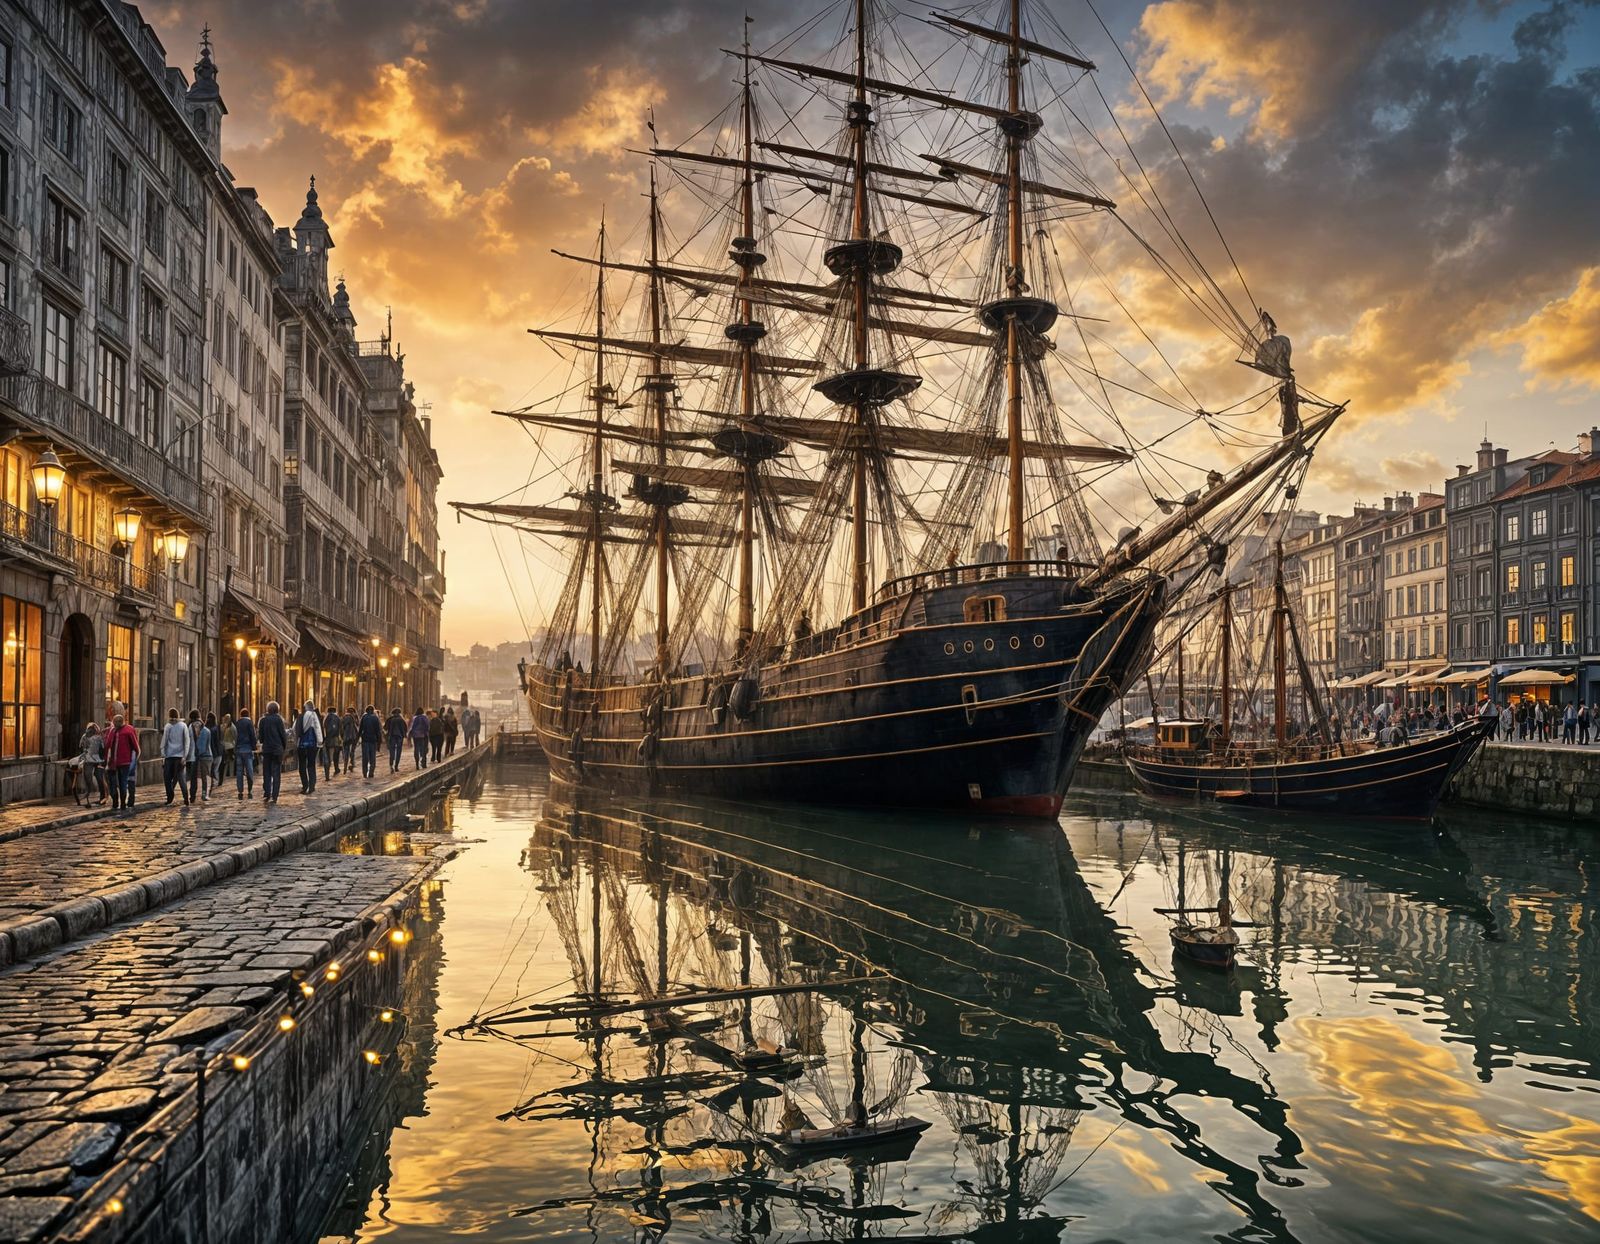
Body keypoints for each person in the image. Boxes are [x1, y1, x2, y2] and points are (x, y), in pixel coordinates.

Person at [105, 713, 140, 811]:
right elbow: (107, 745)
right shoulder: (112, 731)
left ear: (121, 722)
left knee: (123, 783)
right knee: (112, 782)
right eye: (114, 722)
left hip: (125, 762)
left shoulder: (128, 730)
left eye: (116, 722)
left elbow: (135, 745)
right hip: (112, 763)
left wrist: (136, 758)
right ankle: (115, 800)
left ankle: (123, 802)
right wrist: (105, 760)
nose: (115, 723)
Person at [258, 702, 289, 804]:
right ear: (277, 710)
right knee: (276, 773)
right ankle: (274, 796)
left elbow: (261, 738)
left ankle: (267, 792)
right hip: (277, 750)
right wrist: (284, 747)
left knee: (266, 772)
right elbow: (283, 735)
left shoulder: (263, 720)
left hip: (267, 750)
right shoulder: (279, 720)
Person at [161, 709, 193, 806]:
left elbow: (164, 742)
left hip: (169, 756)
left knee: (167, 778)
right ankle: (185, 797)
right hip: (179, 756)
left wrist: (163, 755)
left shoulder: (168, 726)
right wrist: (185, 756)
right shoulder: (183, 726)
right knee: (181, 778)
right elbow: (187, 742)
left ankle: (170, 797)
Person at [297, 700, 324, 794]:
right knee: (311, 765)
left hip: (302, 745)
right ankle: (312, 785)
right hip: (314, 745)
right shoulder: (317, 717)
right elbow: (320, 730)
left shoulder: (302, 716)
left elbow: (296, 730)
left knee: (302, 766)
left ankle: (305, 786)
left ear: (305, 707)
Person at [77, 722, 106, 806]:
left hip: (90, 760)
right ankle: (101, 798)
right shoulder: (99, 737)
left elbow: (80, 747)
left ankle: (89, 799)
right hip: (96, 760)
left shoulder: (86, 736)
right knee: (97, 779)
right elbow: (102, 749)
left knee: (89, 780)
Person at [234, 708, 258, 800]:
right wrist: (254, 747)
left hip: (239, 750)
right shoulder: (249, 722)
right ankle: (249, 789)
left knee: (239, 771)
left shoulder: (237, 723)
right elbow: (253, 735)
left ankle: (240, 791)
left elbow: (235, 737)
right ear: (248, 715)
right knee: (249, 771)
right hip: (247, 750)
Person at [359, 704, 382, 779]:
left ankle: (364, 773)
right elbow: (378, 731)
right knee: (373, 757)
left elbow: (360, 729)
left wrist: (357, 739)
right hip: (373, 740)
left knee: (365, 757)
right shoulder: (375, 718)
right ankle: (371, 772)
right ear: (373, 711)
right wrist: (379, 743)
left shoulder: (364, 717)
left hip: (365, 740)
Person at [322, 706, 343, 780]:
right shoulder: (337, 718)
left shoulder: (326, 718)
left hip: (328, 740)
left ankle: (327, 775)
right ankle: (336, 768)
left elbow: (323, 728)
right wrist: (341, 739)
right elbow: (341, 729)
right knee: (336, 755)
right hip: (336, 739)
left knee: (328, 757)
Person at [386, 708, 406, 773]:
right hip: (399, 737)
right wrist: (404, 735)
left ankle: (391, 765)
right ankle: (396, 766)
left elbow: (385, 728)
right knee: (398, 752)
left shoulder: (389, 719)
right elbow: (405, 729)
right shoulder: (402, 720)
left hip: (392, 737)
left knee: (392, 752)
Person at [342, 707, 359, 774]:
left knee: (346, 752)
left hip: (346, 737)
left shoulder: (344, 717)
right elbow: (357, 725)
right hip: (353, 737)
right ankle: (351, 764)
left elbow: (341, 727)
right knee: (352, 751)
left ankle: (345, 767)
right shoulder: (354, 717)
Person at [220, 713, 236, 779]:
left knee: (229, 761)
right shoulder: (224, 726)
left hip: (229, 746)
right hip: (227, 745)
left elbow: (235, 736)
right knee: (227, 761)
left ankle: (229, 775)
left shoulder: (231, 727)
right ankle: (226, 775)